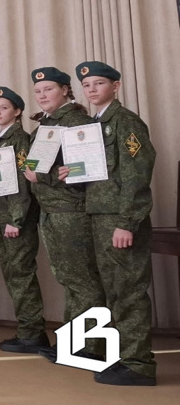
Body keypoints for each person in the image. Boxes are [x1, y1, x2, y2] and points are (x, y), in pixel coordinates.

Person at [77, 61, 156, 386]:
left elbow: (137, 175)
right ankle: (125, 357)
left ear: (116, 86)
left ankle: (139, 365)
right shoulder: (93, 125)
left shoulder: (125, 122)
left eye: (98, 83)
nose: (92, 90)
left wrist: (127, 222)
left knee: (129, 291)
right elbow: (100, 175)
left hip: (120, 221)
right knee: (113, 291)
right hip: (98, 217)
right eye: (87, 85)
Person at [22, 67, 105, 362]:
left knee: (82, 280)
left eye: (49, 89)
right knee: (70, 279)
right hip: (52, 210)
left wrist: (40, 178)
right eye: (38, 91)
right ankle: (74, 342)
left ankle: (92, 347)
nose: (42, 95)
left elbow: (87, 170)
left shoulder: (75, 121)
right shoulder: (48, 124)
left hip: (71, 210)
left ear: (65, 90)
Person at [0, 87, 47, 353]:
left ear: (17, 111)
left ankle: (33, 334)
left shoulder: (20, 139)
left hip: (14, 219)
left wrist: (16, 220)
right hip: (0, 215)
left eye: (4, 107)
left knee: (21, 275)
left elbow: (22, 183)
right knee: (13, 275)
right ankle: (28, 330)